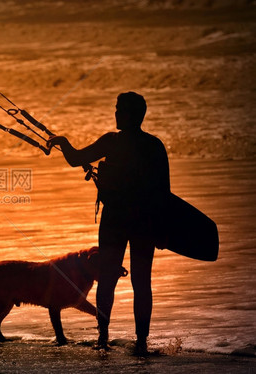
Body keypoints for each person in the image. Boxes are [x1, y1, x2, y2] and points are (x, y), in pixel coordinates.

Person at [46, 92, 170, 356]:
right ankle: (140, 343)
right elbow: (164, 193)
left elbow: (76, 159)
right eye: (116, 109)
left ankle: (104, 339)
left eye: (119, 109)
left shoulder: (112, 142)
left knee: (109, 282)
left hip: (115, 220)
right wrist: (162, 229)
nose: (115, 113)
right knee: (141, 282)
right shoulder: (154, 145)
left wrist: (64, 142)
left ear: (132, 114)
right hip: (144, 222)